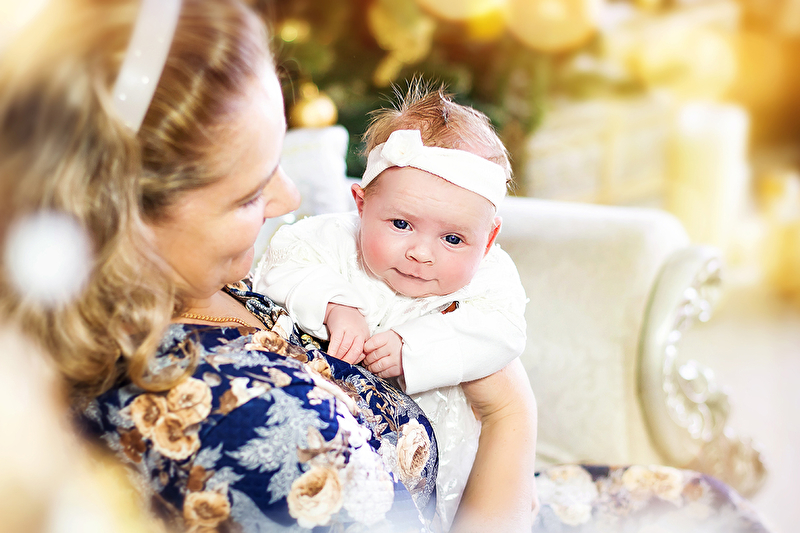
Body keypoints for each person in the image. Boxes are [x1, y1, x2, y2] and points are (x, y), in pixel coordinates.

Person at [0, 0, 538, 531]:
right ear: (123, 219)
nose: (290, 198)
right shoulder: (262, 428)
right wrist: (511, 415)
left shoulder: (200, 288)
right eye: (249, 194)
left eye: (278, 159)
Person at [253, 85, 527, 528]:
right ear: (361, 205)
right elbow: (282, 263)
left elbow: (503, 330)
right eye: (401, 224)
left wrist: (413, 348)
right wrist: (335, 305)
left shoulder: (491, 275)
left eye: (453, 238)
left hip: (460, 453)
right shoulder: (330, 240)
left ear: (489, 238)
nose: (421, 253)